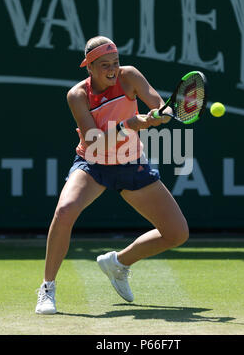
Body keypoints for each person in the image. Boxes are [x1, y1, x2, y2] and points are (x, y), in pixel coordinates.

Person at [35, 36, 189, 314]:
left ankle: (118, 263)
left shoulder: (129, 77)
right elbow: (94, 142)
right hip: (92, 164)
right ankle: (47, 288)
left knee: (177, 233)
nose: (112, 70)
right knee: (65, 210)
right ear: (89, 67)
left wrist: (159, 114)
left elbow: (157, 104)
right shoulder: (77, 95)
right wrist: (129, 125)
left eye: (115, 63)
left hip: (131, 163)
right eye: (104, 65)